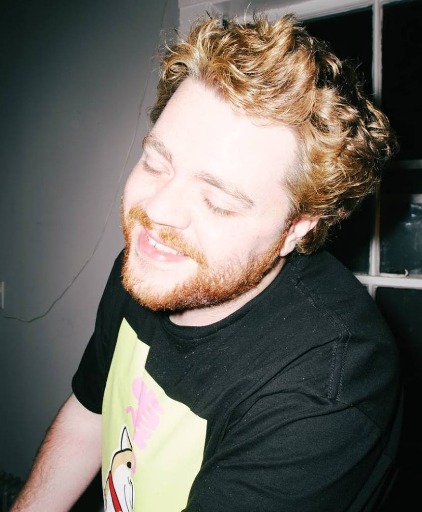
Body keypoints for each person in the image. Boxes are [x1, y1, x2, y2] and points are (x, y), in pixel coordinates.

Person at [12, 11, 401, 512]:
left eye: (218, 200)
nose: (157, 213)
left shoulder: (330, 389)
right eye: (156, 162)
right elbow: (91, 411)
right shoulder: (154, 259)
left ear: (296, 229)